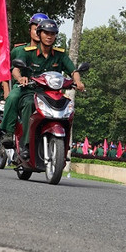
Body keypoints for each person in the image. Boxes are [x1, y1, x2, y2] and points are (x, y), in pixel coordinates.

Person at [12, 18, 84, 160]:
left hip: (52, 94)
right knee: (28, 104)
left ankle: (64, 147)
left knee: (68, 108)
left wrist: (78, 81)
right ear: (39, 34)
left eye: (52, 33)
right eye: (46, 33)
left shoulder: (60, 55)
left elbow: (73, 70)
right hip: (32, 92)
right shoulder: (28, 52)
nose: (49, 36)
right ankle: (25, 145)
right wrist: (20, 78)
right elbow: (15, 70)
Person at [0, 13, 49, 136]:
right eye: (36, 29)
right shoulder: (19, 50)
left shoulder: (51, 51)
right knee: (12, 97)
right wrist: (7, 88)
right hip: (24, 87)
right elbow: (6, 70)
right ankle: (9, 132)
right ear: (30, 30)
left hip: (45, 90)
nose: (38, 32)